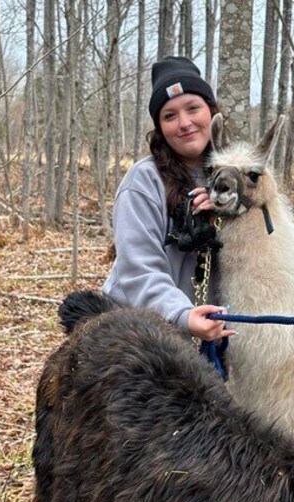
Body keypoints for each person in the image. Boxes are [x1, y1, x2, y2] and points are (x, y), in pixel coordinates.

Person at [102, 56, 234, 342]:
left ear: (212, 112)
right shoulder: (143, 182)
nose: (184, 123)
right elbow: (138, 269)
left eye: (193, 109)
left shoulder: (239, 184)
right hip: (138, 335)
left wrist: (233, 216)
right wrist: (182, 316)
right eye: (170, 115)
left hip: (215, 334)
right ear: (159, 127)